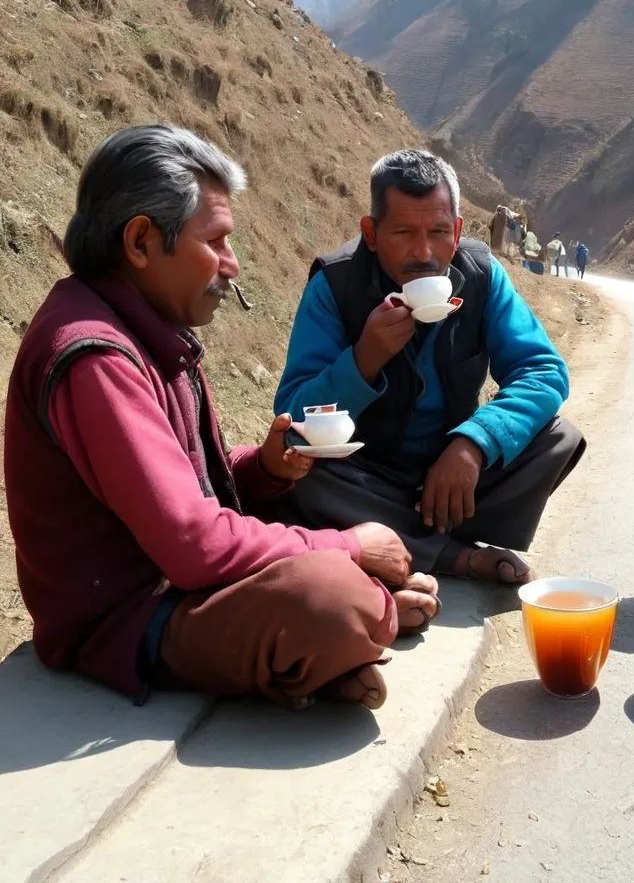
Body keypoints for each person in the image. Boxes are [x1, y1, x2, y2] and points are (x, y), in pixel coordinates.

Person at [5, 125, 440, 711]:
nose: (232, 266)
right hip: (129, 616)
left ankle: (316, 651)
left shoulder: (149, 326)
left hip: (180, 582)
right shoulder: (96, 358)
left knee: (322, 510)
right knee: (333, 596)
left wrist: (262, 469)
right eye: (216, 241)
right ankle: (330, 637)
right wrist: (348, 548)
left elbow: (185, 489)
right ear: (140, 242)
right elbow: (193, 544)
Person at [274, 150, 585, 583]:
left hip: (455, 476)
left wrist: (473, 444)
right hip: (364, 474)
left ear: (456, 232)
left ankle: (400, 535)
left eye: (439, 232)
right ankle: (455, 556)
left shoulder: (481, 276)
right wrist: (363, 359)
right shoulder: (335, 285)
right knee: (307, 479)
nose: (424, 253)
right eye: (402, 232)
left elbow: (542, 370)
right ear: (371, 233)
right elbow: (291, 416)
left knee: (559, 437)